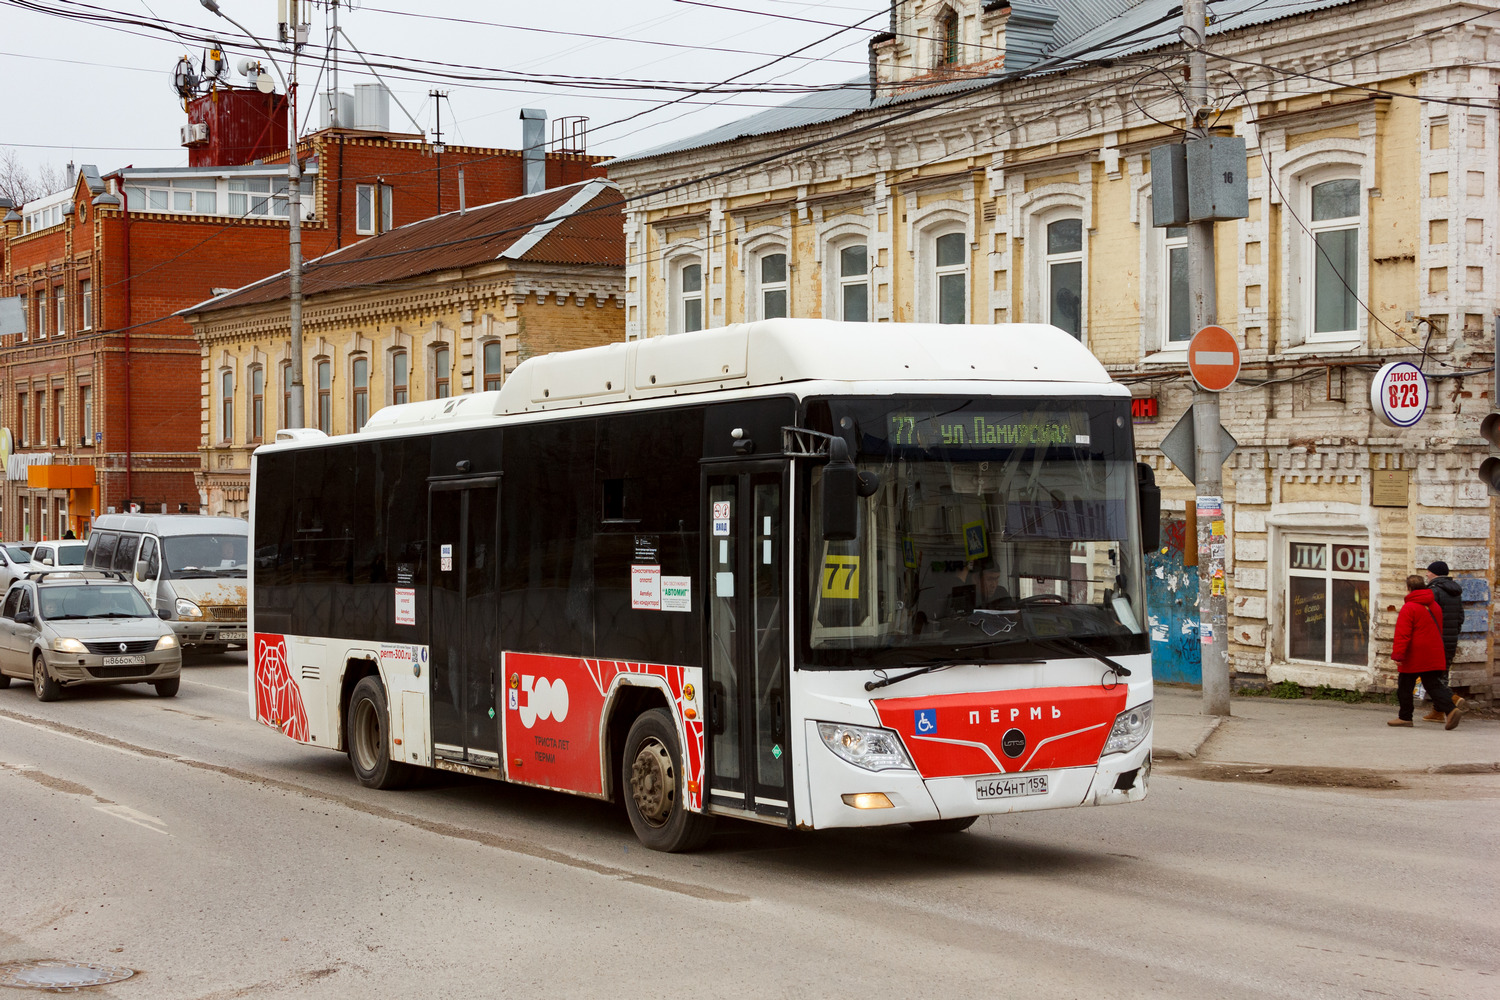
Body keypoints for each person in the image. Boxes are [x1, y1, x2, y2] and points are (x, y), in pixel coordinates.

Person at [1389, 574, 1463, 729]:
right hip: (1434, 650)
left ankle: (1405, 717)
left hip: (1415, 653)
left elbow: (1403, 634)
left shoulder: (1409, 607)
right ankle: (1451, 710)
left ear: (1409, 588)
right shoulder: (1434, 605)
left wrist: (1398, 655)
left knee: (1405, 686)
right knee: (1432, 684)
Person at [1420, 560, 1466, 722]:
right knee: (1443, 673)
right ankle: (1438, 712)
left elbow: (1428, 617)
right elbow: (1460, 617)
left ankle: (1452, 698)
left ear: (1434, 573)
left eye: (1428, 571)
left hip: (1435, 640)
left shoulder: (1433, 591)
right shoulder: (1455, 592)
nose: (1426, 574)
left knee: (1431, 676)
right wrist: (1453, 634)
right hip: (1451, 639)